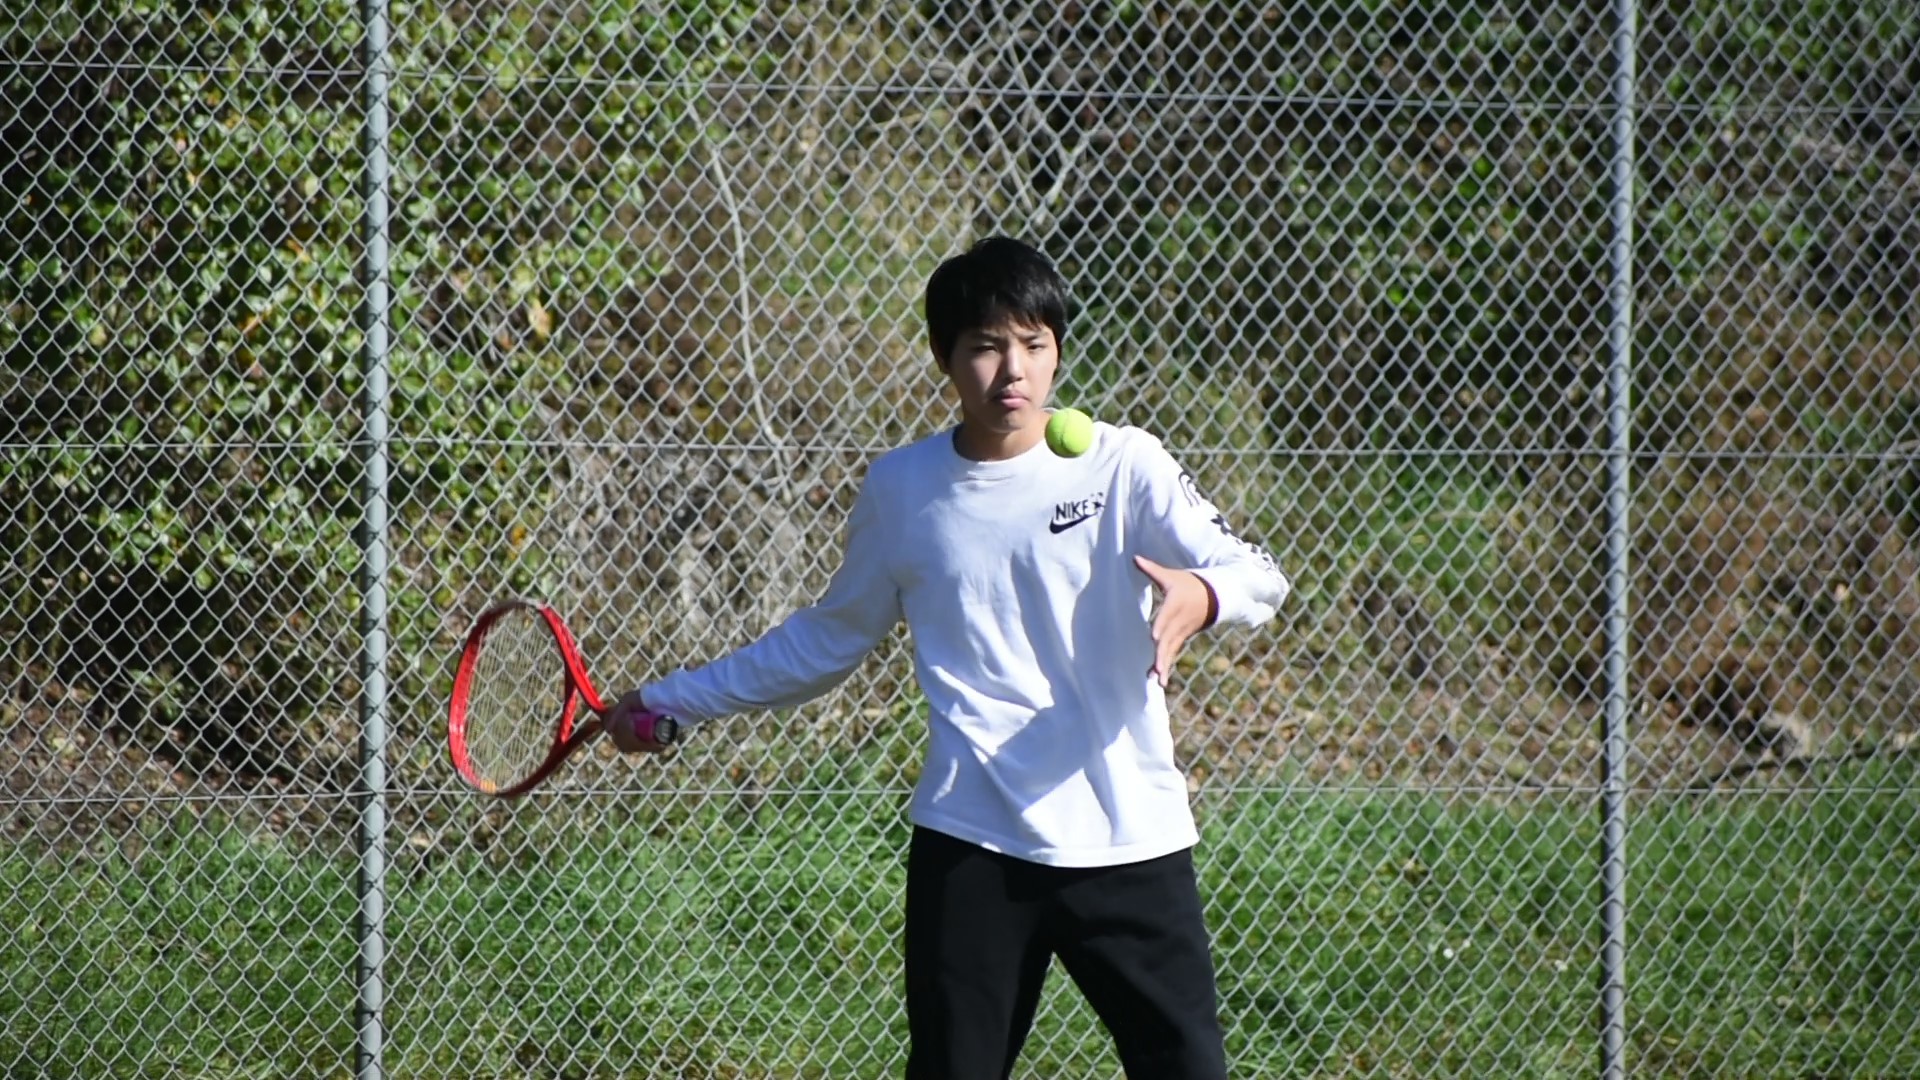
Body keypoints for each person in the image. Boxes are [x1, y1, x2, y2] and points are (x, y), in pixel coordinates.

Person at [606, 235, 1289, 1079]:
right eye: (987, 347)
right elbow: (827, 639)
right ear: (944, 357)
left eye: (1035, 345)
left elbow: (1258, 574)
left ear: (1058, 351)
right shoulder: (903, 488)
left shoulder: (1125, 466)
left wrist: (1202, 596)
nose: (1014, 372)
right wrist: (675, 700)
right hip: (972, 843)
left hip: (1127, 838)